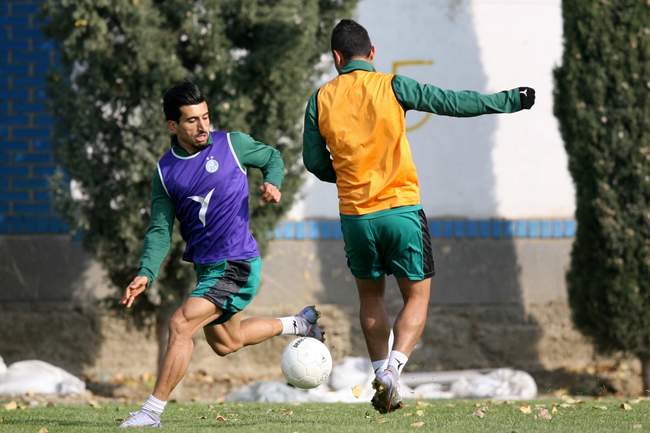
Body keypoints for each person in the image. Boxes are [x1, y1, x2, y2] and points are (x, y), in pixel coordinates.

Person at [302, 19, 535, 414]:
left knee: (370, 297)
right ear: (372, 53)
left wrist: (346, 174)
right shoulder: (392, 85)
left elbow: (313, 161)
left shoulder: (320, 98)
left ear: (337, 58)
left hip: (356, 216)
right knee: (417, 296)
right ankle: (394, 370)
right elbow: (451, 102)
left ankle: (380, 372)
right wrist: (509, 100)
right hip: (401, 211)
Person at [119, 81, 323, 428]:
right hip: (208, 269)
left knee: (180, 324)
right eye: (191, 120)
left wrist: (273, 182)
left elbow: (272, 157)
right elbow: (159, 229)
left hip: (237, 263)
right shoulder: (166, 172)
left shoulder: (232, 144)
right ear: (172, 126)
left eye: (205, 117)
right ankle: (300, 324)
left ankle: (151, 412)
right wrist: (145, 272)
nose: (203, 126)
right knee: (228, 342)